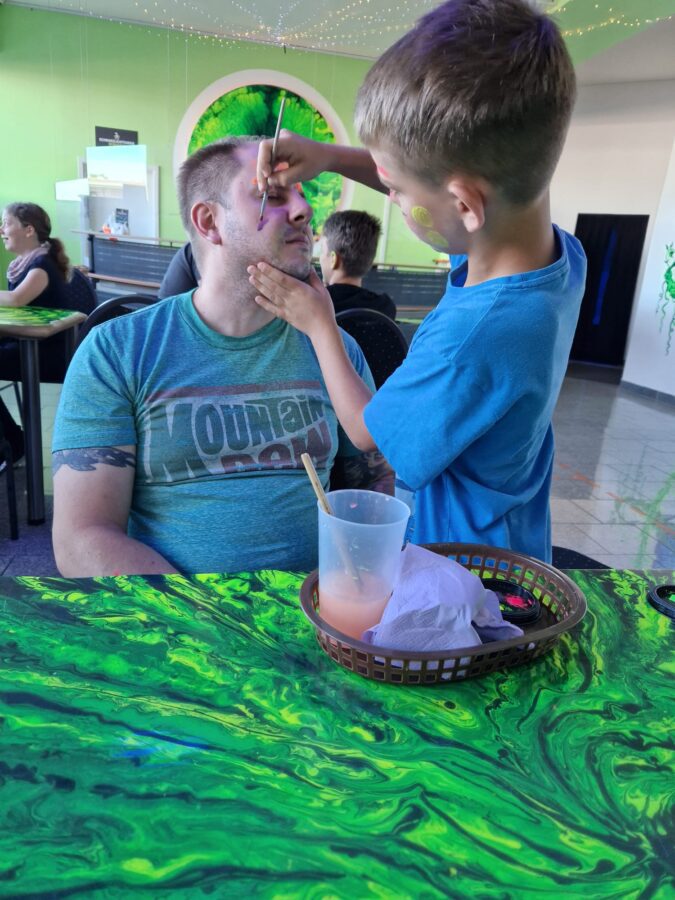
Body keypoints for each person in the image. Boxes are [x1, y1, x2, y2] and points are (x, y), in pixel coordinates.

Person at [249, 0, 586, 563]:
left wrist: (320, 324)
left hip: (466, 578)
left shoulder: (472, 337)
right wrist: (330, 157)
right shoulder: (552, 256)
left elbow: (368, 435)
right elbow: (446, 194)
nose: (395, 200)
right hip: (517, 538)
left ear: (463, 204)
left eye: (397, 191)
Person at [52, 136, 391, 577]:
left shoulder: (335, 348)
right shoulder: (117, 351)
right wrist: (215, 621)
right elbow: (82, 540)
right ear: (209, 221)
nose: (305, 212)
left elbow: (375, 484)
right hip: (179, 629)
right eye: (271, 195)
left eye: (304, 196)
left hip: (318, 621)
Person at [0, 202, 72, 465]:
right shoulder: (24, 264)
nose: (1, 230)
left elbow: (17, 300)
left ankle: (12, 441)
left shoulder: (41, 265)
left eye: (6, 223)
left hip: (46, 354)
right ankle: (10, 439)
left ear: (29, 230)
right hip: (25, 346)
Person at [319, 211, 396, 319]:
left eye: (322, 251)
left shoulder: (316, 304)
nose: (321, 258)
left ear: (333, 259)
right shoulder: (385, 307)